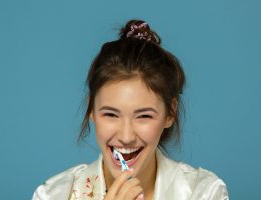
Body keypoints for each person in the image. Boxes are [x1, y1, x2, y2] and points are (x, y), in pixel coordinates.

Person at [32, 19, 229, 200]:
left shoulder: (203, 192)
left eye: (143, 116)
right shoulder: (54, 194)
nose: (126, 137)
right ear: (91, 109)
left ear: (170, 113)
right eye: (110, 114)